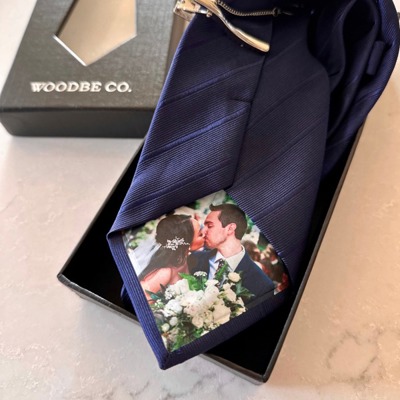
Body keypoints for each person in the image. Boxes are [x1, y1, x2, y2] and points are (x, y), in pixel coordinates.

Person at [189, 204, 275, 303]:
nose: (203, 231)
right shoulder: (194, 259)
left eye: (210, 225)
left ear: (230, 228)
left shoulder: (262, 285)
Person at [139, 214, 204, 300]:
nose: (205, 234)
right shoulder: (165, 272)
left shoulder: (186, 260)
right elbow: (140, 299)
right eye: (200, 234)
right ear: (187, 244)